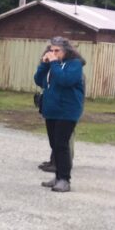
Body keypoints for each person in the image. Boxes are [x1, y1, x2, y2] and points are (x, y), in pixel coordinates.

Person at [34, 36, 85, 193]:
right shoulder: (52, 66)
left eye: (57, 51)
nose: (53, 53)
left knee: (62, 145)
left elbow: (66, 80)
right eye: (51, 50)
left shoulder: (74, 65)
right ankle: (57, 177)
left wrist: (54, 63)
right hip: (52, 111)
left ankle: (64, 179)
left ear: (66, 51)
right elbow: (38, 80)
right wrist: (44, 64)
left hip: (67, 111)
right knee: (54, 144)